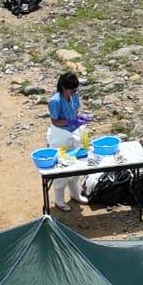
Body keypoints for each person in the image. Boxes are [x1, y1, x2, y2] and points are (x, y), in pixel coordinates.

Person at [46, 69, 90, 211]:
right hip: (60, 135)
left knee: (75, 164)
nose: (74, 92)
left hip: (74, 132)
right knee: (62, 167)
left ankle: (75, 193)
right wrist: (70, 122)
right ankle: (59, 200)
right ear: (64, 88)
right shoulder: (55, 101)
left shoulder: (74, 96)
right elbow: (55, 121)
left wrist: (79, 119)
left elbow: (75, 112)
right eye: (72, 90)